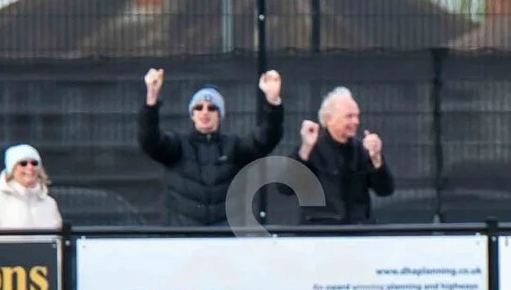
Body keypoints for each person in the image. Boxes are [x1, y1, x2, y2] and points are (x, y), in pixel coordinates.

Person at [138, 68, 283, 226]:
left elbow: (266, 138)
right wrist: (151, 100)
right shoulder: (178, 145)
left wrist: (273, 103)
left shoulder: (234, 146)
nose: (205, 112)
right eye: (199, 108)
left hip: (225, 240)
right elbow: (149, 140)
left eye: (212, 108)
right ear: (192, 115)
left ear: (220, 115)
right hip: (183, 240)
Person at [293, 87, 393, 225]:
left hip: (358, 234)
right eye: (349, 116)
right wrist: (304, 150)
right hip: (320, 234)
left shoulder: (362, 150)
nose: (356, 121)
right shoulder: (311, 149)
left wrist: (377, 159)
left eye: (357, 116)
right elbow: (286, 189)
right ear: (329, 119)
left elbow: (385, 190)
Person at [0, 144, 62, 234]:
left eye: (34, 163)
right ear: (12, 169)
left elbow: (59, 241)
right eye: (23, 163)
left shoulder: (50, 203)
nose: (30, 167)